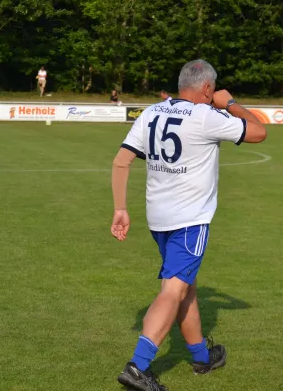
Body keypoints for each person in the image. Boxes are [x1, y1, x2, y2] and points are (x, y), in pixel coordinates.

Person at [111, 59, 267, 391]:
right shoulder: (207, 116)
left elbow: (122, 159)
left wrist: (120, 208)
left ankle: (200, 357)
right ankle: (138, 367)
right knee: (173, 289)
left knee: (186, 287)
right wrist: (231, 104)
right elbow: (259, 131)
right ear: (208, 88)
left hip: (159, 218)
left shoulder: (153, 111)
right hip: (189, 220)